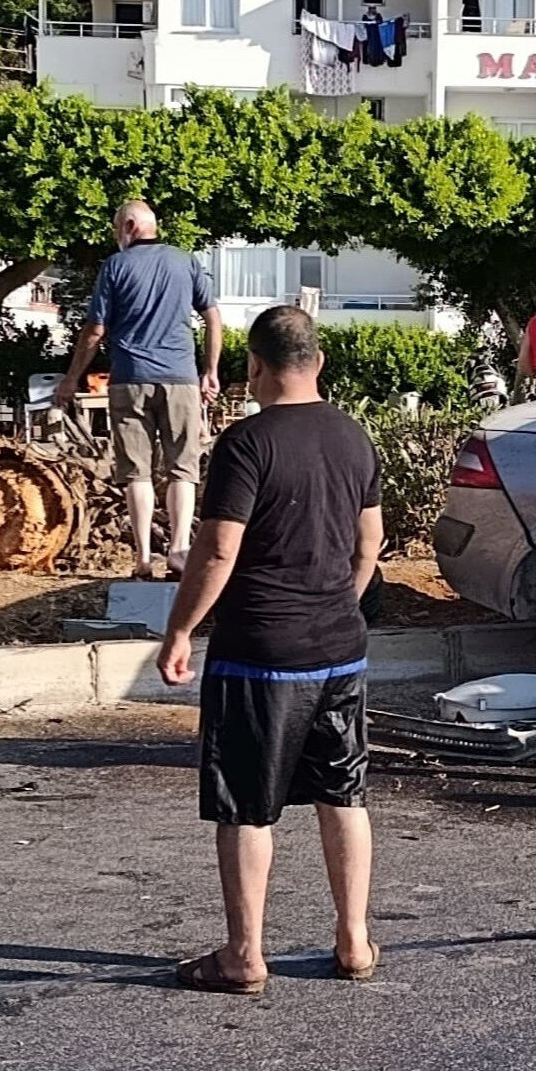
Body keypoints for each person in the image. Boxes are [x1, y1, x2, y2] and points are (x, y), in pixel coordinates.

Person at [152, 306, 386, 993]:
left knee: (246, 805)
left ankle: (243, 956)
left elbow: (217, 549)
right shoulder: (353, 436)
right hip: (339, 648)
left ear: (254, 365)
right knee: (343, 794)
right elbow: (369, 543)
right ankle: (354, 941)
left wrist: (179, 630)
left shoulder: (247, 442)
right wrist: (339, 602)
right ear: (318, 362)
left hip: (260, 650)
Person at [62, 200, 221, 581]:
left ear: (130, 226)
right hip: (180, 377)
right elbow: (213, 317)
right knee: (183, 469)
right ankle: (179, 551)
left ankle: (144, 558)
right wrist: (210, 370)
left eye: (117, 226)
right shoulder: (186, 261)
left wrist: (71, 377)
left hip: (130, 378)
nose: (115, 234)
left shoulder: (116, 266)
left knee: (137, 472)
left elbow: (95, 330)